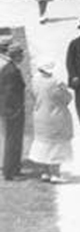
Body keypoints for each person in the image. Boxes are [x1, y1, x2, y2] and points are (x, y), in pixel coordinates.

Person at [28, 60, 74, 182]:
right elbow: (67, 98)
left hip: (39, 115)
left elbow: (32, 96)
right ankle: (55, 174)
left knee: (43, 145)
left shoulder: (34, 80)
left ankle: (45, 172)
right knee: (56, 146)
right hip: (55, 117)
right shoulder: (55, 83)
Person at [0, 42, 27, 179]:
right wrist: (15, 110)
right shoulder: (11, 71)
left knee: (16, 141)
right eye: (20, 54)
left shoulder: (11, 68)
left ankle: (15, 168)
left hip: (13, 110)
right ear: (15, 56)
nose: (22, 56)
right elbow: (8, 94)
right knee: (12, 142)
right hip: (13, 112)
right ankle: (9, 172)